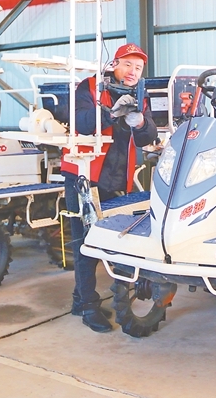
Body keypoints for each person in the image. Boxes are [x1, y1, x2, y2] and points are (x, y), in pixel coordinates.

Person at [60, 43, 158, 333]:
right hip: (83, 176)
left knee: (110, 240)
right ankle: (88, 307)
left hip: (117, 179)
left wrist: (140, 122)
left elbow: (147, 137)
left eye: (138, 67)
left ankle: (80, 299)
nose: (132, 71)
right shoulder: (88, 87)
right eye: (127, 64)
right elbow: (81, 122)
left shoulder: (140, 95)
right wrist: (111, 114)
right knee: (85, 243)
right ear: (114, 64)